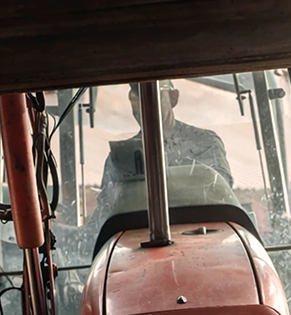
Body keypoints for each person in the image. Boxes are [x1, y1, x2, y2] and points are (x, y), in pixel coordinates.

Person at [86, 81, 233, 243]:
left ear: (173, 97)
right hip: (137, 245)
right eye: (136, 96)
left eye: (154, 94)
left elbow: (221, 196)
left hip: (204, 239)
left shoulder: (205, 143)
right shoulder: (119, 159)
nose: (144, 104)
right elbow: (104, 217)